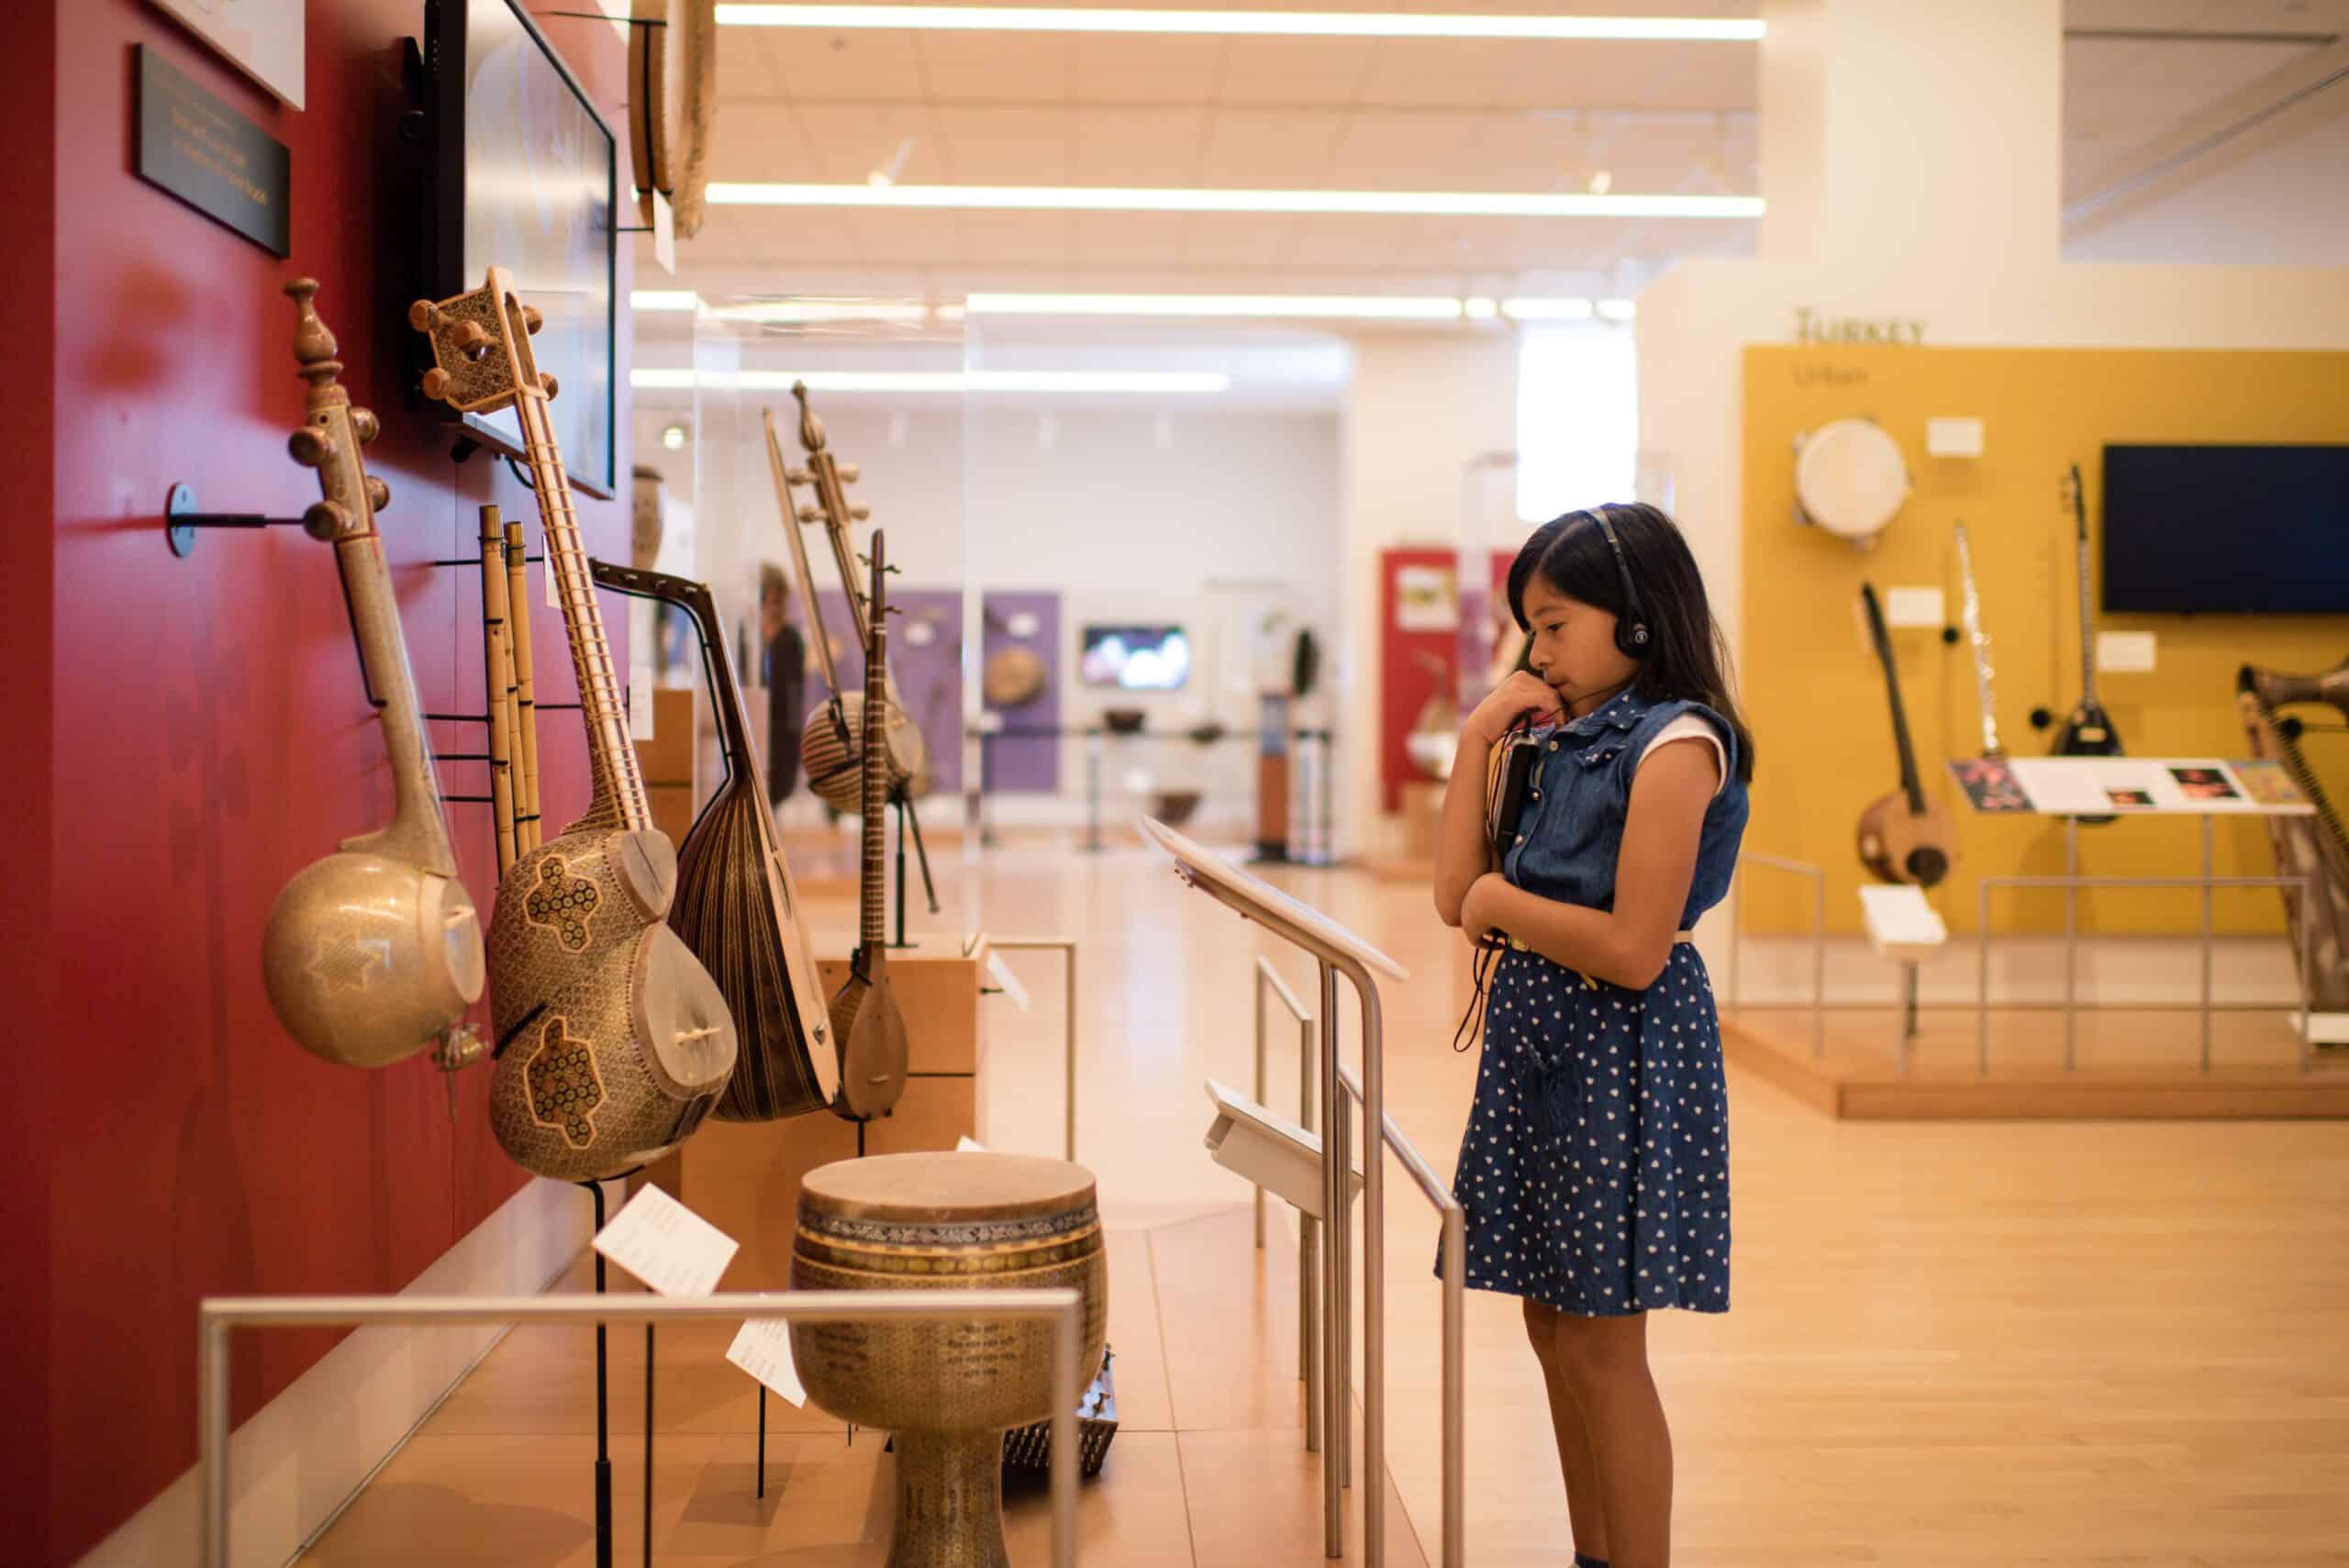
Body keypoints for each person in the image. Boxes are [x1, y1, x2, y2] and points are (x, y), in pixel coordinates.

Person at [1432, 503, 1754, 1568]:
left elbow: (1631, 948)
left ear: (1635, 619)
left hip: (1619, 1054)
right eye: (1531, 626)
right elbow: (1450, 894)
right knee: (1551, 1326)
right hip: (1542, 1049)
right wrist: (1480, 733)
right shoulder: (1554, 731)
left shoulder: (1679, 741)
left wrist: (1501, 902)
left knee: (1605, 1344)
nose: (1540, 652)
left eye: (1556, 623)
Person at [760, 564, 807, 805]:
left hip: (781, 740)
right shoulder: (750, 636)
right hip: (756, 733)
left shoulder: (790, 639)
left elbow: (791, 701)